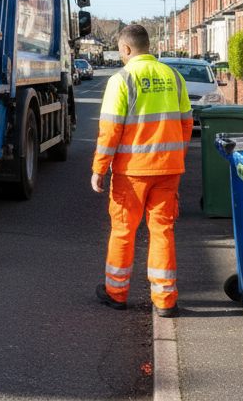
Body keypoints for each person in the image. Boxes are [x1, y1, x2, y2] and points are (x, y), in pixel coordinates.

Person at [92, 24, 191, 317]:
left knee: (124, 231)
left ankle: (117, 293)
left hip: (132, 172)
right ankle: (165, 301)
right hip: (168, 169)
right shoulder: (173, 76)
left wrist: (100, 168)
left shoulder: (121, 79)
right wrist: (174, 157)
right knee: (162, 231)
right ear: (148, 46)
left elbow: (109, 131)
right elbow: (187, 122)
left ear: (125, 49)